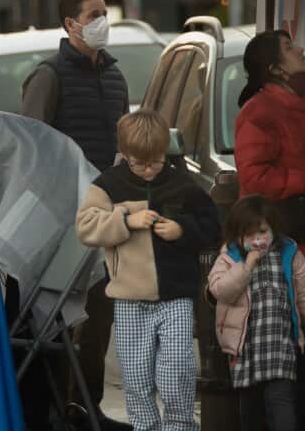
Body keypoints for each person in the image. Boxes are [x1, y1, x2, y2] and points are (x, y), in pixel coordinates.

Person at [21, 0, 131, 431]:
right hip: (64, 220)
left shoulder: (115, 77)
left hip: (107, 216)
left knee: (100, 317)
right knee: (61, 318)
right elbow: (32, 150)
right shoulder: (48, 76)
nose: (103, 21)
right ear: (70, 24)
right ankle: (54, 410)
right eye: (93, 14)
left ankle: (87, 407)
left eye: (105, 12)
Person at [77, 110, 220, 431]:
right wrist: (126, 221)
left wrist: (182, 229)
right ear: (125, 154)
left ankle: (179, 425)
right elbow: (85, 226)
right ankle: (145, 426)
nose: (148, 170)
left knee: (176, 371)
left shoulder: (182, 184)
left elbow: (212, 226)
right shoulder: (108, 184)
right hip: (129, 297)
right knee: (136, 376)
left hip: (176, 297)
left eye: (156, 162)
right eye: (139, 163)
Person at [234, 30, 305, 430]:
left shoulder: (295, 105)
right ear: (276, 68)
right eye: (289, 48)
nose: (301, 50)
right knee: (293, 375)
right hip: (288, 255)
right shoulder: (261, 111)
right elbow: (254, 179)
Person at [207, 197, 305, 431]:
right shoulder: (229, 258)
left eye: (263, 232)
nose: (257, 240)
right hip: (245, 348)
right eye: (249, 235)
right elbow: (220, 291)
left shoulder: (289, 254)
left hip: (280, 345)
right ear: (237, 235)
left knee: (282, 402)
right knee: (251, 409)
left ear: (274, 228)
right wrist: (246, 267)